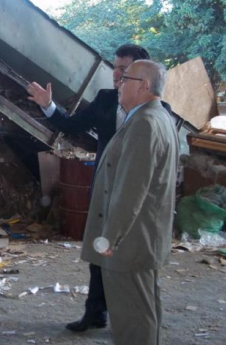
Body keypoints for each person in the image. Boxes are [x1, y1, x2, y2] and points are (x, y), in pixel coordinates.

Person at [27, 44, 160, 332]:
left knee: (132, 262)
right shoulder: (105, 99)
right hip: (104, 191)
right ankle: (95, 313)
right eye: (115, 67)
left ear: (141, 76)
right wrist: (47, 104)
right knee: (98, 255)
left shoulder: (156, 114)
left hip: (135, 199)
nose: (116, 75)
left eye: (124, 70)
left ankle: (135, 323)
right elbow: (71, 125)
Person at [81, 60, 178, 345]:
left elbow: (130, 189)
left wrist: (110, 238)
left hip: (130, 241)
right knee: (144, 308)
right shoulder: (157, 117)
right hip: (143, 234)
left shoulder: (145, 123)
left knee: (132, 317)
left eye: (126, 78)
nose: (119, 83)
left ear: (144, 86)